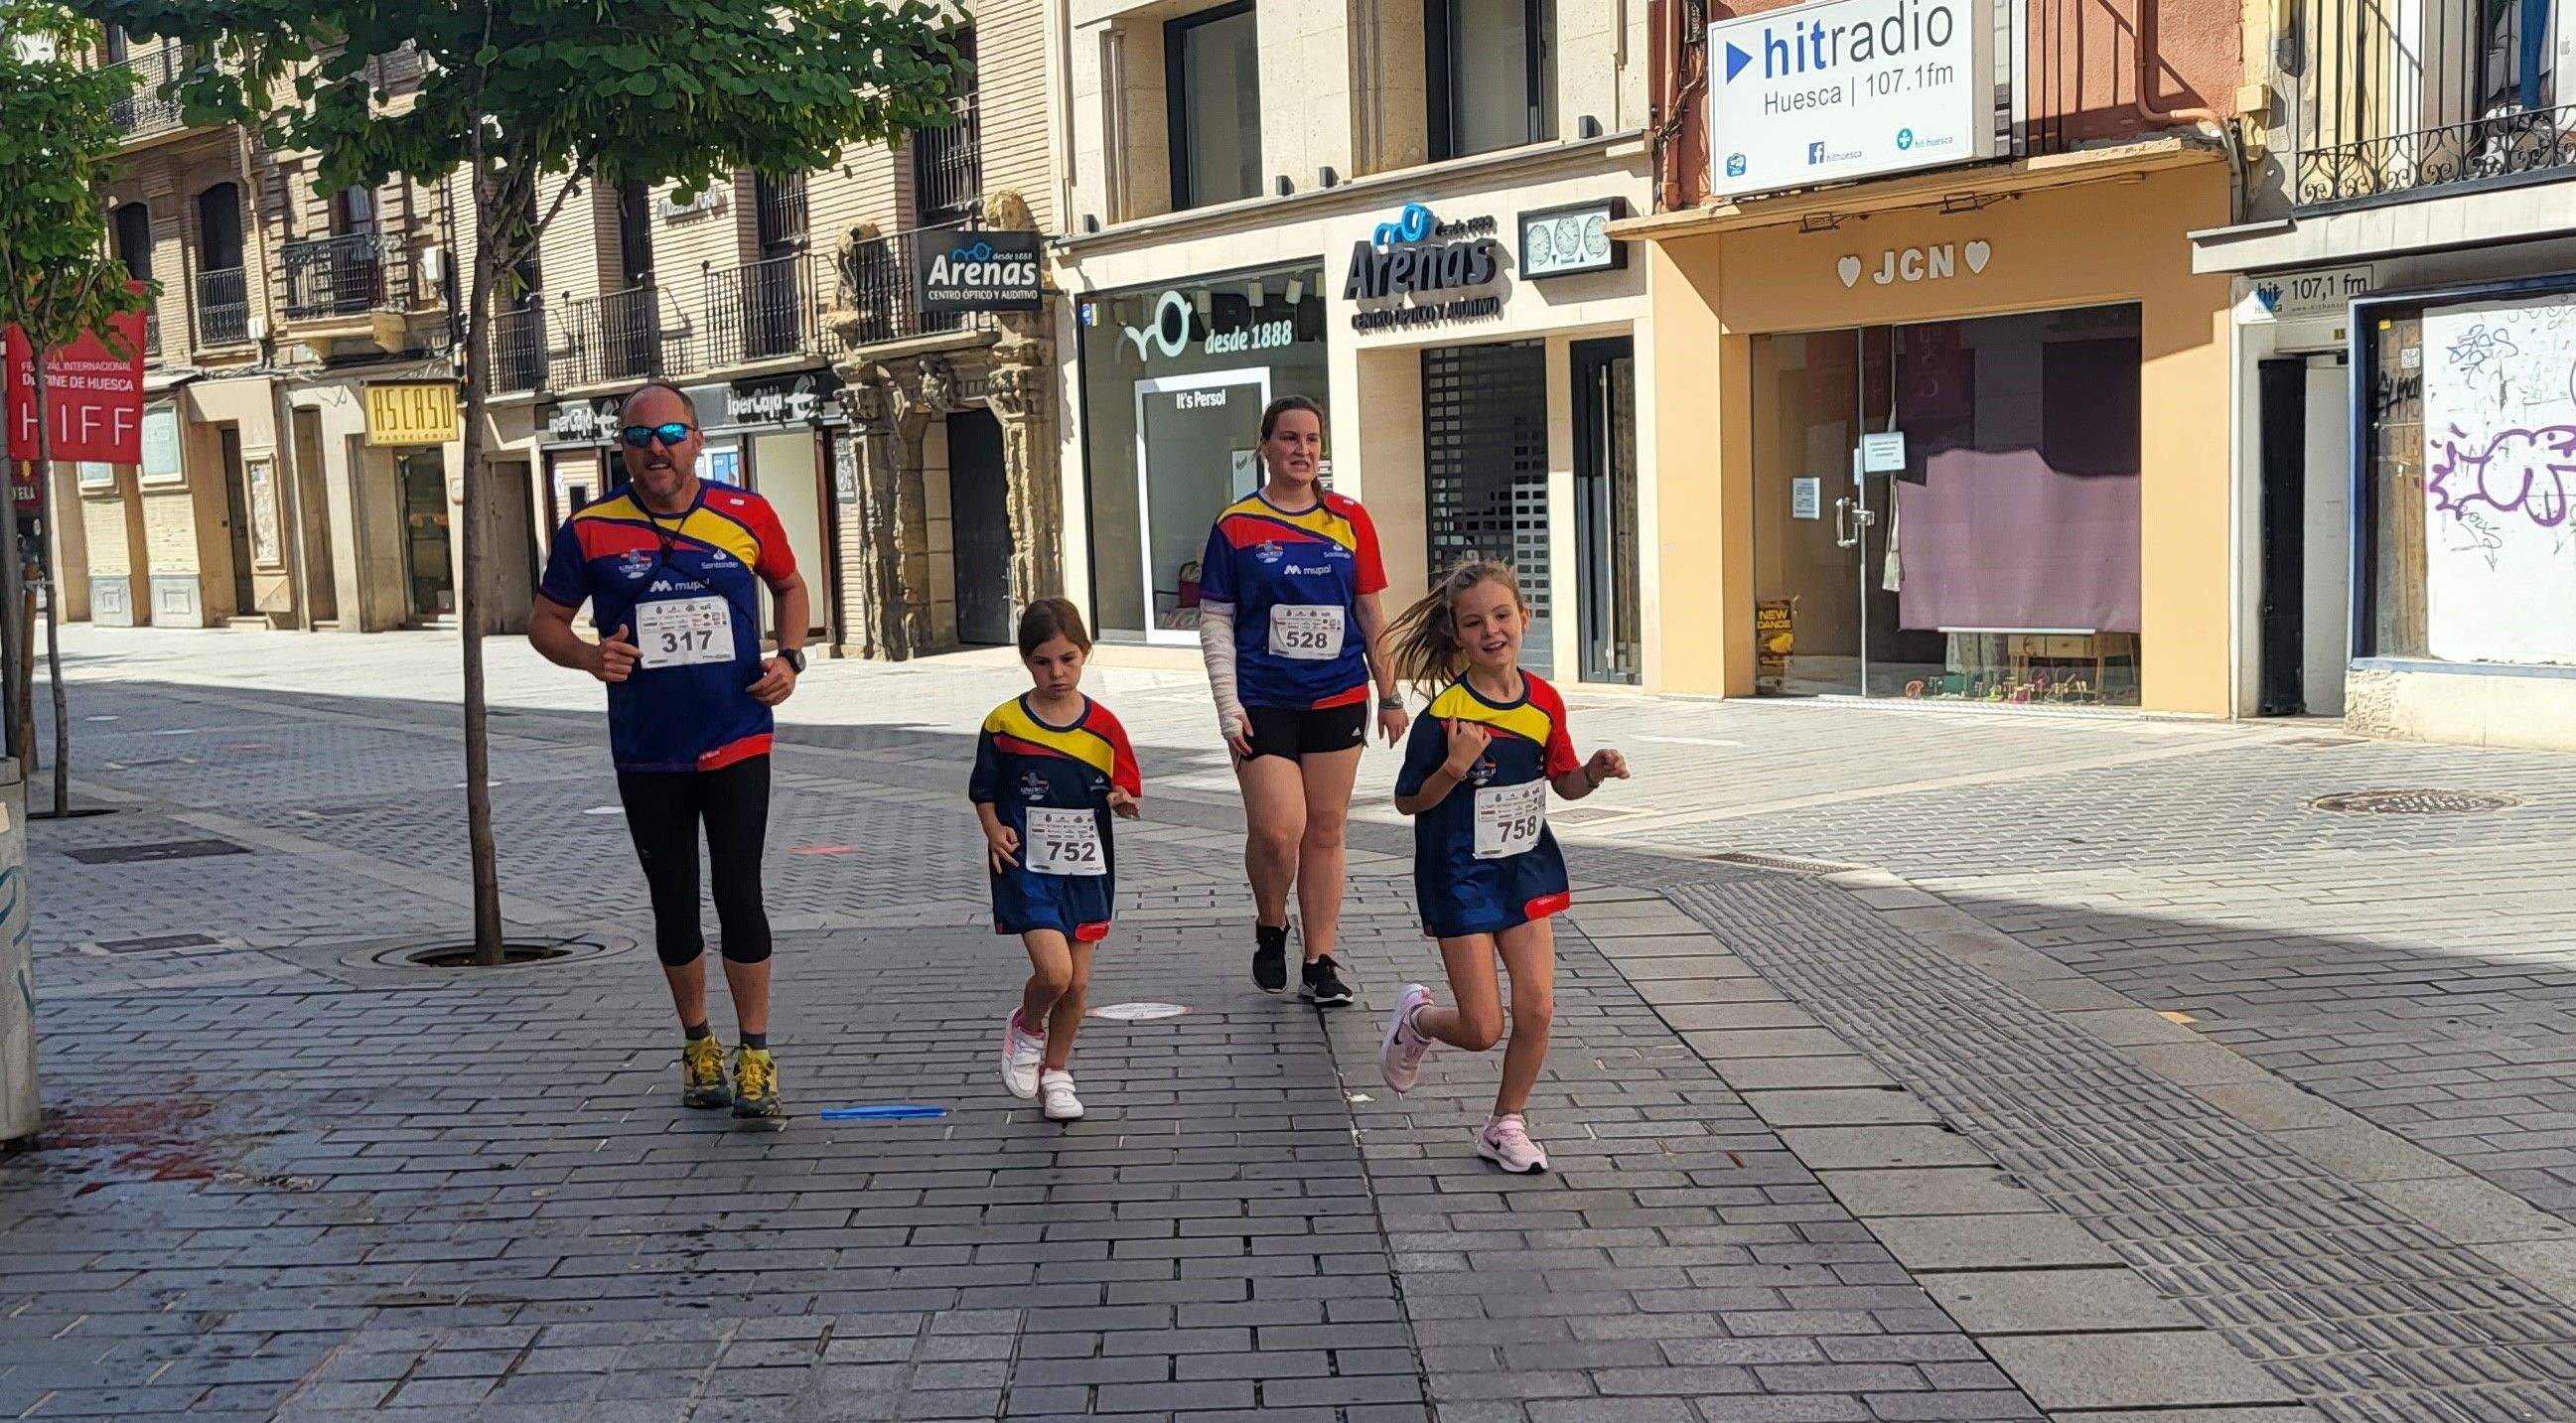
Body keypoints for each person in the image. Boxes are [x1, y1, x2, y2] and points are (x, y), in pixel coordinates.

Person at [527, 382, 809, 1125]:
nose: (657, 447)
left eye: (672, 432)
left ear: (697, 439)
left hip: (737, 734)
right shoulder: (588, 529)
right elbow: (544, 622)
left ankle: (756, 1052)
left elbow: (790, 585)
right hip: (649, 749)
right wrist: (589, 658)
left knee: (740, 891)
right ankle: (698, 1045)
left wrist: (790, 659)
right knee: (674, 901)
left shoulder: (745, 512)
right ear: (622, 447)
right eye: (640, 436)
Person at [1374, 561, 1630, 1173]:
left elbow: (1562, 783)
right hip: (1458, 876)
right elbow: (1409, 801)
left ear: (1524, 619)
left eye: (1500, 616)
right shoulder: (1445, 717)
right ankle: (1418, 1020)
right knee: (1483, 1026)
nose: (1490, 630)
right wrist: (1454, 766)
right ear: (1457, 635)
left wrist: (1592, 771)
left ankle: (1505, 1123)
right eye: (1473, 622)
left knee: (1538, 1007)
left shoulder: (1544, 701)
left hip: (1522, 868)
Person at [1198, 395, 1406, 1007]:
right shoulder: (1235, 526)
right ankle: (1270, 923)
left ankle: (1320, 959)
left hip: (1338, 696)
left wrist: (1390, 694)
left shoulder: (1350, 519)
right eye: (1289, 438)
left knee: (1327, 828)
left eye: (1313, 439)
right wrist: (1226, 704)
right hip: (1262, 701)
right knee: (1277, 828)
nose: (1303, 450)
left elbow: (1370, 613)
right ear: (1265, 447)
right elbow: (1215, 622)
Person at [971, 599, 1142, 1123]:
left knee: (1080, 984)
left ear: (1086, 654)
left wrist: (1123, 799)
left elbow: (1128, 783)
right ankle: (1026, 1026)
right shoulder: (1004, 723)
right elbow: (983, 789)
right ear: (1026, 661)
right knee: (1054, 972)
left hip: (1087, 870)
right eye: (1044, 662)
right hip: (1027, 867)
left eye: (1068, 659)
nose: (1057, 673)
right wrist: (994, 828)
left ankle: (1057, 1074)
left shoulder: (1105, 726)